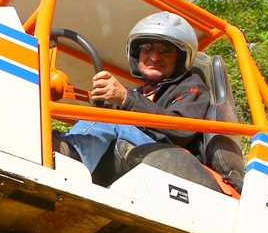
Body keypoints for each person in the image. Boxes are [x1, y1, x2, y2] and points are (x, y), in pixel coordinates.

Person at [59, 11, 212, 175]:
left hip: (173, 159)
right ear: (136, 54)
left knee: (109, 118)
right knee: (99, 116)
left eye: (165, 51)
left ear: (180, 59)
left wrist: (125, 98)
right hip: (144, 151)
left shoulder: (191, 85)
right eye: (147, 48)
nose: (155, 57)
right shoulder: (140, 93)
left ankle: (66, 158)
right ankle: (59, 146)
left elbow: (183, 130)